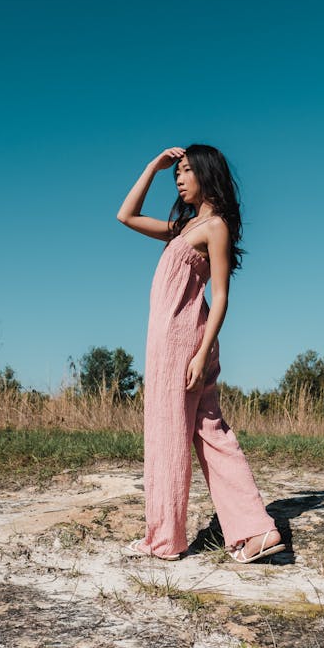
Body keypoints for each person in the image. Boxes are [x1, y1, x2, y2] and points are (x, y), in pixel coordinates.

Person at [117, 144, 285, 563]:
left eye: (186, 170)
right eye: (177, 171)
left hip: (184, 344)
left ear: (207, 175)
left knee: (167, 437)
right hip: (172, 343)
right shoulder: (183, 228)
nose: (179, 177)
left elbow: (222, 296)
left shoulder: (215, 228)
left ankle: (165, 539)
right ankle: (256, 531)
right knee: (211, 434)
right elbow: (126, 216)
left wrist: (200, 353)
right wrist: (153, 165)